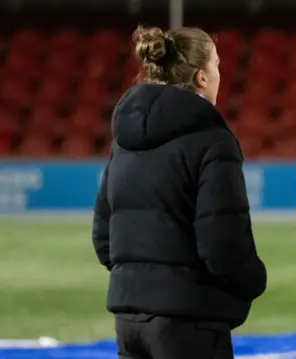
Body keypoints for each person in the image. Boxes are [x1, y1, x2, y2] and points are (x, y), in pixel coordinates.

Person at [91, 25, 267, 359]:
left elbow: (104, 239)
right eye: (216, 66)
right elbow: (222, 244)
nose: (219, 75)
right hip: (190, 321)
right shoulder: (214, 141)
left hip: (128, 321)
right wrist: (254, 281)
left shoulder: (123, 141)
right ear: (201, 77)